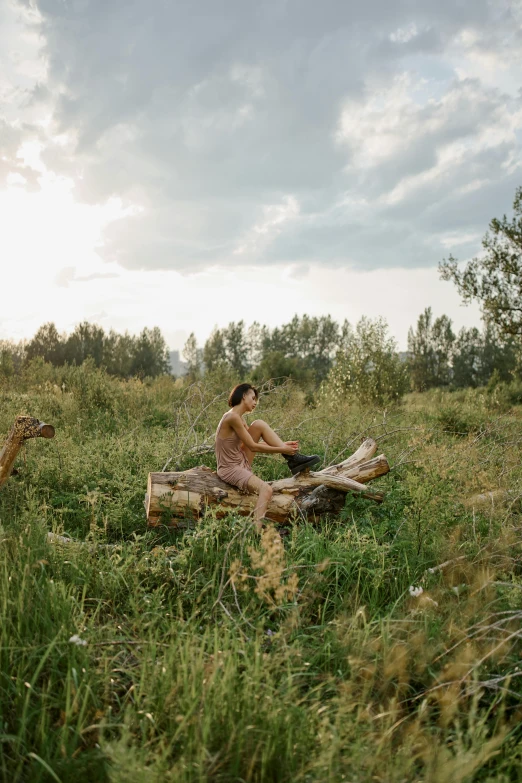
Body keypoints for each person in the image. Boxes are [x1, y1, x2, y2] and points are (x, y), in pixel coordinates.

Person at [215, 383, 320, 529]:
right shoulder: (231, 417)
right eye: (252, 398)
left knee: (258, 424)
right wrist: (281, 449)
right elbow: (253, 446)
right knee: (266, 489)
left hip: (241, 462)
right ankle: (256, 532)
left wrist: (283, 445)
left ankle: (292, 459)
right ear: (243, 396)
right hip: (230, 468)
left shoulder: (239, 418)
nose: (255, 402)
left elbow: (254, 442)